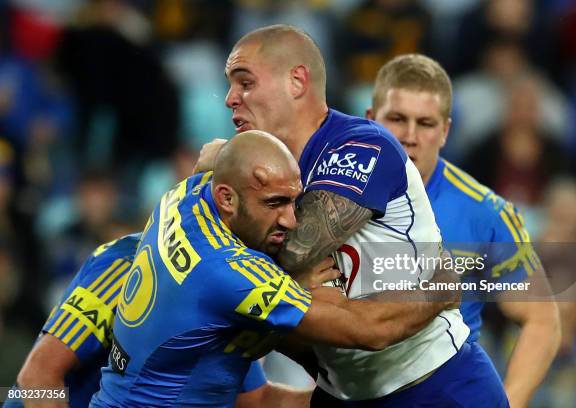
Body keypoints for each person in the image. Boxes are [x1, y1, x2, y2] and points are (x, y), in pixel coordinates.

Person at [199, 24, 508, 407]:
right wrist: (291, 286)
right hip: (341, 394)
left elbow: (296, 248)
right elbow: (233, 283)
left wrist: (283, 278)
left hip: (436, 385)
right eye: (231, 85)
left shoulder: (361, 145)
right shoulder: (250, 174)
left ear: (297, 82)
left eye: (245, 83)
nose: (231, 98)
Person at [90, 131, 458, 408]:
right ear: (227, 198)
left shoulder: (185, 195)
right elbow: (369, 330)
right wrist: (441, 287)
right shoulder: (228, 273)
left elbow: (212, 162)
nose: (292, 219)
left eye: (295, 201)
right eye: (275, 203)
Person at [365, 53, 561, 408]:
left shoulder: (485, 212)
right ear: (369, 120)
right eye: (397, 119)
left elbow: (542, 322)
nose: (409, 136)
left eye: (425, 123)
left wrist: (506, 403)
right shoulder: (331, 196)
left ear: (445, 131)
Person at [3, 232, 312, 408]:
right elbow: (38, 377)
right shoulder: (127, 265)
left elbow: (256, 400)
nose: (286, 221)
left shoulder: (226, 290)